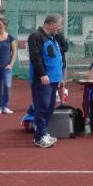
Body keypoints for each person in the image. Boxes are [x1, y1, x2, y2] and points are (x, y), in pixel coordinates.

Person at [27, 13, 65, 148]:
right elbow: (35, 57)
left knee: (49, 107)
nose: (60, 28)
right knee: (42, 107)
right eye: (59, 25)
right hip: (43, 80)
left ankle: (43, 133)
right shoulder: (36, 36)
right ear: (51, 24)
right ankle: (40, 137)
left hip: (53, 79)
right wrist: (42, 74)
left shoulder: (52, 38)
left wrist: (59, 77)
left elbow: (57, 58)